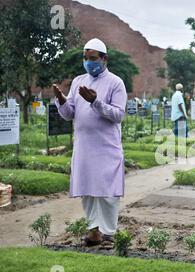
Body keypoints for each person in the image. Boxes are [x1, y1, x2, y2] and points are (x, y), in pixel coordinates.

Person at [52, 38, 127, 246]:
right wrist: (61, 101)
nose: (88, 62)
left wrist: (95, 102)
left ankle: (109, 233)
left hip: (106, 146)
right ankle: (94, 232)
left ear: (104, 59)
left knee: (107, 191)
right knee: (87, 190)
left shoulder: (115, 82)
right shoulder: (78, 81)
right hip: (84, 146)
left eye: (93, 58)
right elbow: (70, 114)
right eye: (85, 58)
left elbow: (118, 115)